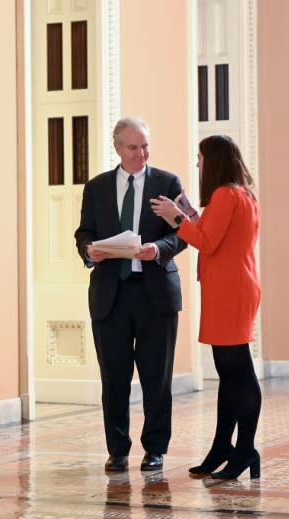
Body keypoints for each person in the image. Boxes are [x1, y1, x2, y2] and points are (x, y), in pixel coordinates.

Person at [74, 117, 187, 472]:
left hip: (155, 294)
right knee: (114, 377)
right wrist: (88, 251)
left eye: (146, 146)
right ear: (118, 148)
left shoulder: (167, 182)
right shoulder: (97, 187)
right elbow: (84, 232)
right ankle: (117, 449)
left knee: (157, 378)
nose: (142, 153)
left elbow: (185, 233)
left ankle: (155, 449)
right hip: (111, 295)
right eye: (134, 147)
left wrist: (158, 249)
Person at [150, 134, 262, 480]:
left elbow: (207, 242)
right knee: (228, 375)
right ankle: (222, 447)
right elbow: (213, 231)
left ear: (211, 161)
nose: (197, 165)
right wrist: (190, 214)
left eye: (199, 159)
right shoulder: (237, 194)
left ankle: (245, 449)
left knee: (238, 372)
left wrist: (175, 217)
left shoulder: (226, 195)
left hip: (230, 292)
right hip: (230, 289)